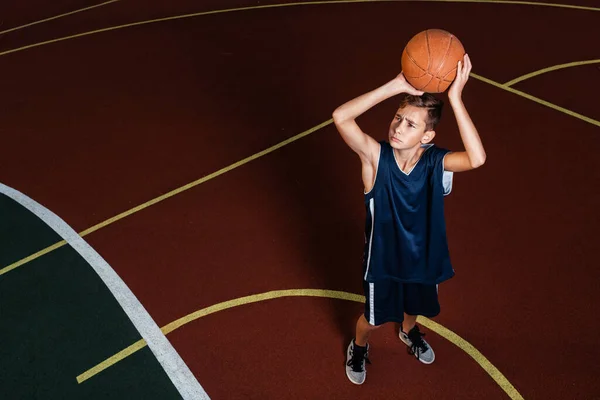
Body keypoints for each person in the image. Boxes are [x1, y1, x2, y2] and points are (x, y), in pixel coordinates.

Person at [332, 54, 486, 385]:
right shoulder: (375, 158)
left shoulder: (435, 162)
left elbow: (477, 158)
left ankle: (408, 331)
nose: (399, 127)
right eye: (398, 118)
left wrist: (456, 98)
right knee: (371, 319)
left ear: (427, 137)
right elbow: (340, 117)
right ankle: (358, 347)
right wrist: (396, 85)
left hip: (422, 257)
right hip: (383, 261)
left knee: (414, 308)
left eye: (411, 124)